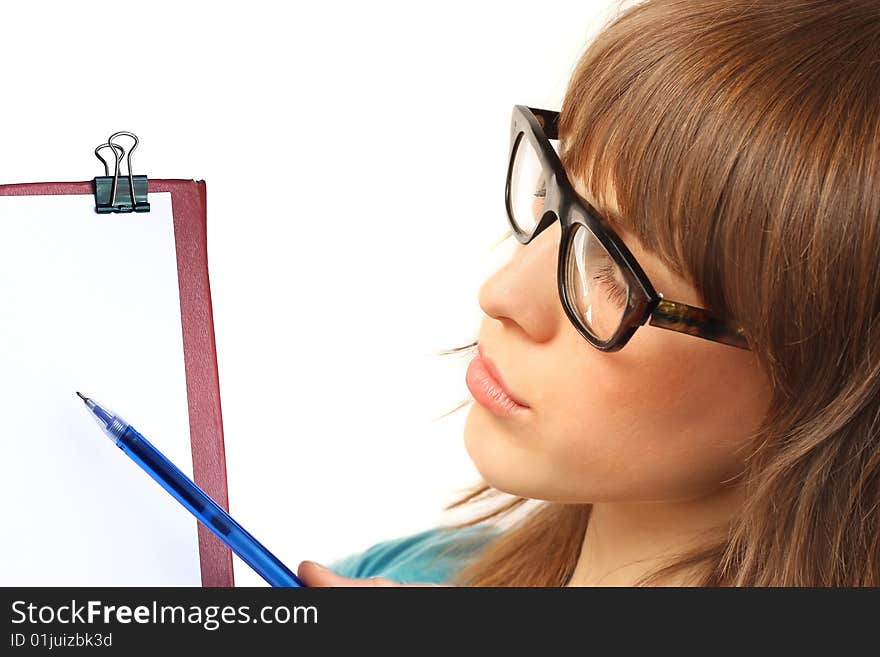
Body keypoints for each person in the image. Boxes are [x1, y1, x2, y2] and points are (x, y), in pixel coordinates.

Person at [298, 0, 880, 587]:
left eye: (617, 268)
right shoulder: (399, 574)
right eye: (556, 190)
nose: (501, 294)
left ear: (829, 385)